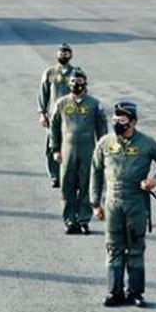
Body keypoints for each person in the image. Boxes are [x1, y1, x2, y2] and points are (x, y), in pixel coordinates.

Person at [89, 102, 156, 308]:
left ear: (133, 122)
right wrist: (95, 203)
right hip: (112, 203)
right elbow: (96, 172)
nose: (118, 123)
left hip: (136, 202)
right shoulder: (105, 143)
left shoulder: (146, 143)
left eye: (123, 120)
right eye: (115, 119)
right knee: (113, 248)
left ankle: (135, 292)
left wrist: (155, 181)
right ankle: (114, 291)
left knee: (136, 249)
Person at [51, 69, 107, 234]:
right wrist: (55, 149)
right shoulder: (61, 103)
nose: (77, 85)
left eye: (80, 82)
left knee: (86, 184)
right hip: (67, 150)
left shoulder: (94, 104)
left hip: (88, 149)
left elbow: (102, 127)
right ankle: (70, 221)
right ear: (69, 84)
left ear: (85, 84)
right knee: (67, 185)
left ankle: (84, 220)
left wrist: (102, 150)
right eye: (74, 82)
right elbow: (54, 127)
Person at [37, 43, 76, 188]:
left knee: (71, 146)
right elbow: (43, 94)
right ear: (57, 55)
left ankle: (69, 175)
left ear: (70, 55)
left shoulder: (76, 73)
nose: (63, 56)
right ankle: (55, 176)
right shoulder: (50, 73)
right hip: (53, 117)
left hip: (72, 118)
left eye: (66, 54)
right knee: (52, 146)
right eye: (61, 53)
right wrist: (42, 113)